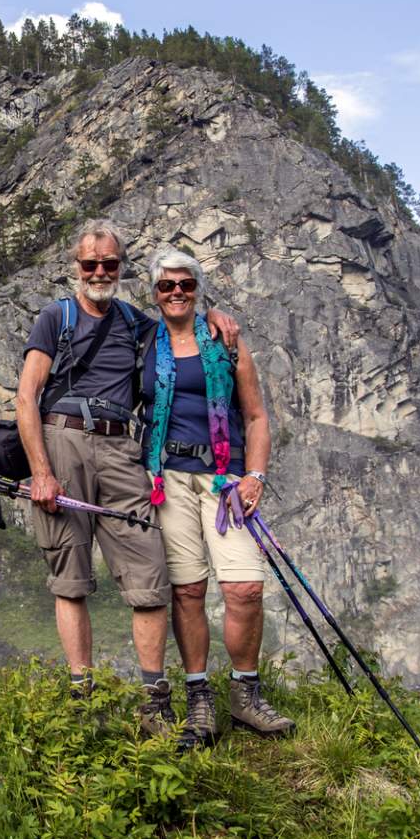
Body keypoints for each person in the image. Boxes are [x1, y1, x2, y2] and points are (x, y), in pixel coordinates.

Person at [13, 221, 237, 737]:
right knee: (70, 580)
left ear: (121, 268)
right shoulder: (55, 317)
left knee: (149, 576)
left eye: (108, 265)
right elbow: (27, 396)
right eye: (90, 264)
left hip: (121, 447)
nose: (98, 272)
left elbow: (181, 324)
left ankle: (153, 699)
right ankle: (81, 695)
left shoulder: (136, 323)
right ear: (76, 267)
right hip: (61, 440)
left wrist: (213, 314)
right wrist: (41, 472)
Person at [139, 248, 295, 746]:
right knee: (187, 590)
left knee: (245, 587)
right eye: (167, 286)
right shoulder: (144, 342)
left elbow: (256, 416)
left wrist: (256, 476)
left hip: (225, 480)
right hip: (168, 479)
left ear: (198, 288)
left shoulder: (225, 340)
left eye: (186, 284)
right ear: (155, 293)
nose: (177, 292)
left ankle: (246, 694)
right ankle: (199, 698)